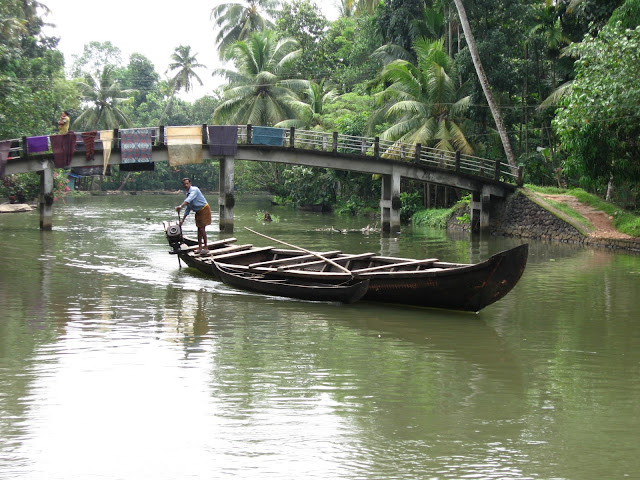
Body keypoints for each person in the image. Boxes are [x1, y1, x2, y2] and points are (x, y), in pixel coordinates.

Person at [176, 178, 211, 254]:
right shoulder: (187, 194)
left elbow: (189, 199)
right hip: (198, 212)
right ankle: (200, 247)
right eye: (184, 184)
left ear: (190, 184)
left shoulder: (194, 190)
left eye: (187, 183)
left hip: (204, 209)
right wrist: (182, 220)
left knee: (202, 229)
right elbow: (188, 208)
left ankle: (206, 247)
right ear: (183, 185)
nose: (186, 185)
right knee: (199, 229)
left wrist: (180, 206)